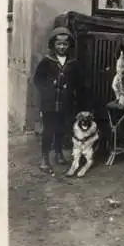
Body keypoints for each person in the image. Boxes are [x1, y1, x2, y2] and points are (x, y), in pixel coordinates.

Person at [34, 26, 83, 174]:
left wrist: (72, 92)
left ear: (69, 46)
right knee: (48, 130)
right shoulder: (46, 62)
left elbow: (77, 81)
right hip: (49, 103)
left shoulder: (73, 63)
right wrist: (48, 90)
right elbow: (38, 80)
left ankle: (59, 152)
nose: (62, 47)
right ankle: (44, 157)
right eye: (59, 44)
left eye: (65, 44)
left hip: (65, 102)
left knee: (62, 129)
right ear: (53, 45)